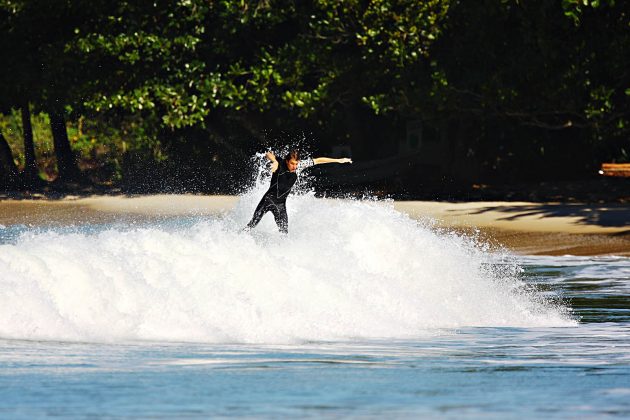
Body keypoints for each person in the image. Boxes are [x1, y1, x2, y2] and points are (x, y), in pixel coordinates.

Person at [245, 149, 352, 233]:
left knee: (284, 233)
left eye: (296, 164)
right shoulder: (280, 163)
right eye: (292, 163)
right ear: (287, 161)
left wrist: (338, 160)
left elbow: (318, 160)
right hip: (267, 201)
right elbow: (268, 154)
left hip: (281, 205)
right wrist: (274, 161)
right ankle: (236, 240)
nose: (294, 167)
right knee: (252, 225)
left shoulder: (299, 166)